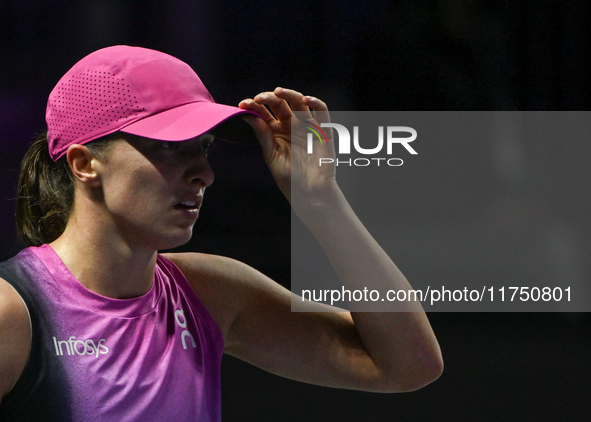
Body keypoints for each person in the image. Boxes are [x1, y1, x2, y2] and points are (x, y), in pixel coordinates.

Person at [0, 45, 442, 421]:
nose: (204, 175)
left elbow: (408, 366)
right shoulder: (13, 315)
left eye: (204, 148)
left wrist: (322, 204)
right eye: (171, 148)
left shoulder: (210, 294)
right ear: (84, 163)